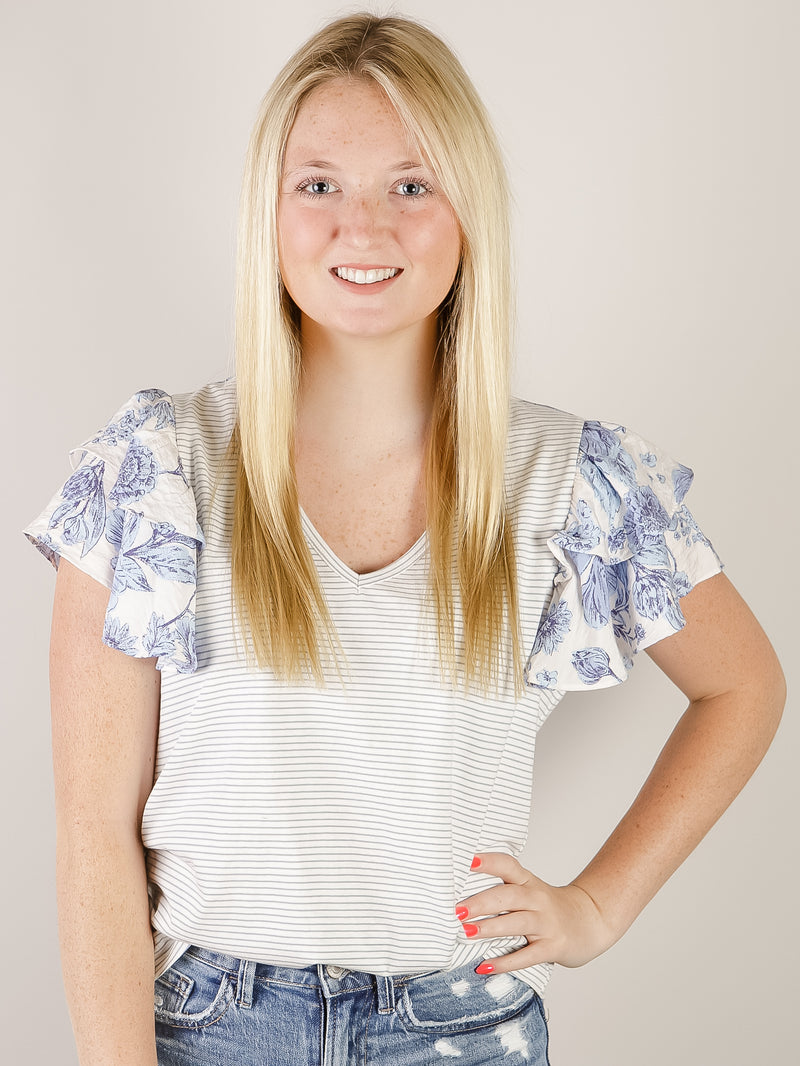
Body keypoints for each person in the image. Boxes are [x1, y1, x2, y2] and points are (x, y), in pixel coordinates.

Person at [24, 12, 784, 1066]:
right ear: (269, 211)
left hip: (460, 1028)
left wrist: (597, 908)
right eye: (319, 184)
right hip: (205, 1027)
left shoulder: (573, 482)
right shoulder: (157, 469)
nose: (362, 227)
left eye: (411, 185)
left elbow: (742, 685)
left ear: (467, 211)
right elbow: (93, 836)